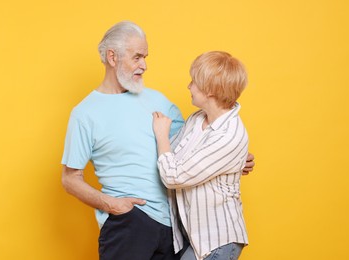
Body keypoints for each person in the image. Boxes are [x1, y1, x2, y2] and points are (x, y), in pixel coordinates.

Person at [61, 21, 255, 260]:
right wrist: (113, 205)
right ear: (112, 57)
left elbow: (197, 145)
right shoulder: (85, 113)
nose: (144, 65)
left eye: (145, 57)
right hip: (130, 223)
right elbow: (70, 179)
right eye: (137, 57)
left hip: (176, 229)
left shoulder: (159, 101)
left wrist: (234, 158)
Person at [152, 51, 251, 260]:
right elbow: (174, 159)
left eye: (194, 82)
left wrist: (162, 135)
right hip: (196, 237)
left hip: (217, 240)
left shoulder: (230, 134)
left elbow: (173, 176)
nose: (189, 86)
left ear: (210, 91)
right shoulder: (198, 119)